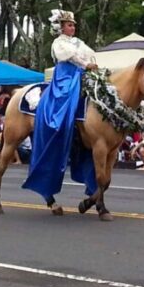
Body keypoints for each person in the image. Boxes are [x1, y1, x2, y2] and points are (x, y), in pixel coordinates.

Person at [23, 10, 98, 201]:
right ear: (62, 27)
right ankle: (61, 125)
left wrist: (92, 64)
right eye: (69, 25)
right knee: (64, 98)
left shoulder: (78, 42)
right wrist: (85, 65)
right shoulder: (59, 42)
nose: (73, 27)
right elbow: (70, 57)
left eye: (73, 25)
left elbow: (89, 54)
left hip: (81, 75)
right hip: (66, 77)